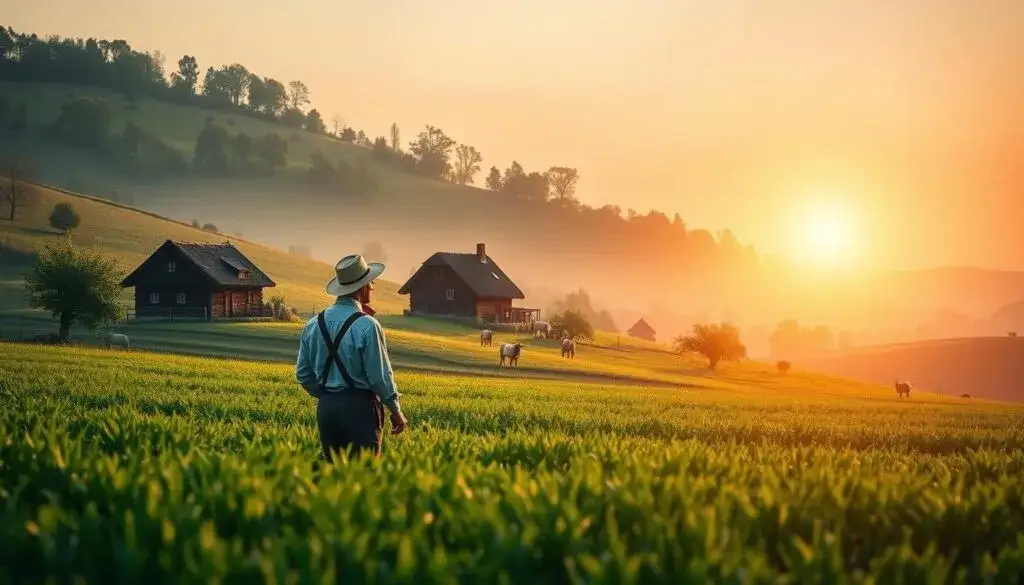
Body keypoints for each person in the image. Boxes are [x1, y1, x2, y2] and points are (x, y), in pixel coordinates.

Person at [295, 254, 407, 461]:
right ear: (362, 288)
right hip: (361, 409)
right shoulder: (368, 325)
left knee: (333, 473)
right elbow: (379, 377)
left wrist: (329, 395)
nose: (373, 286)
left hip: (327, 409)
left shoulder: (313, 324)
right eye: (371, 282)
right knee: (364, 476)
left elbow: (302, 374)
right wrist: (394, 409)